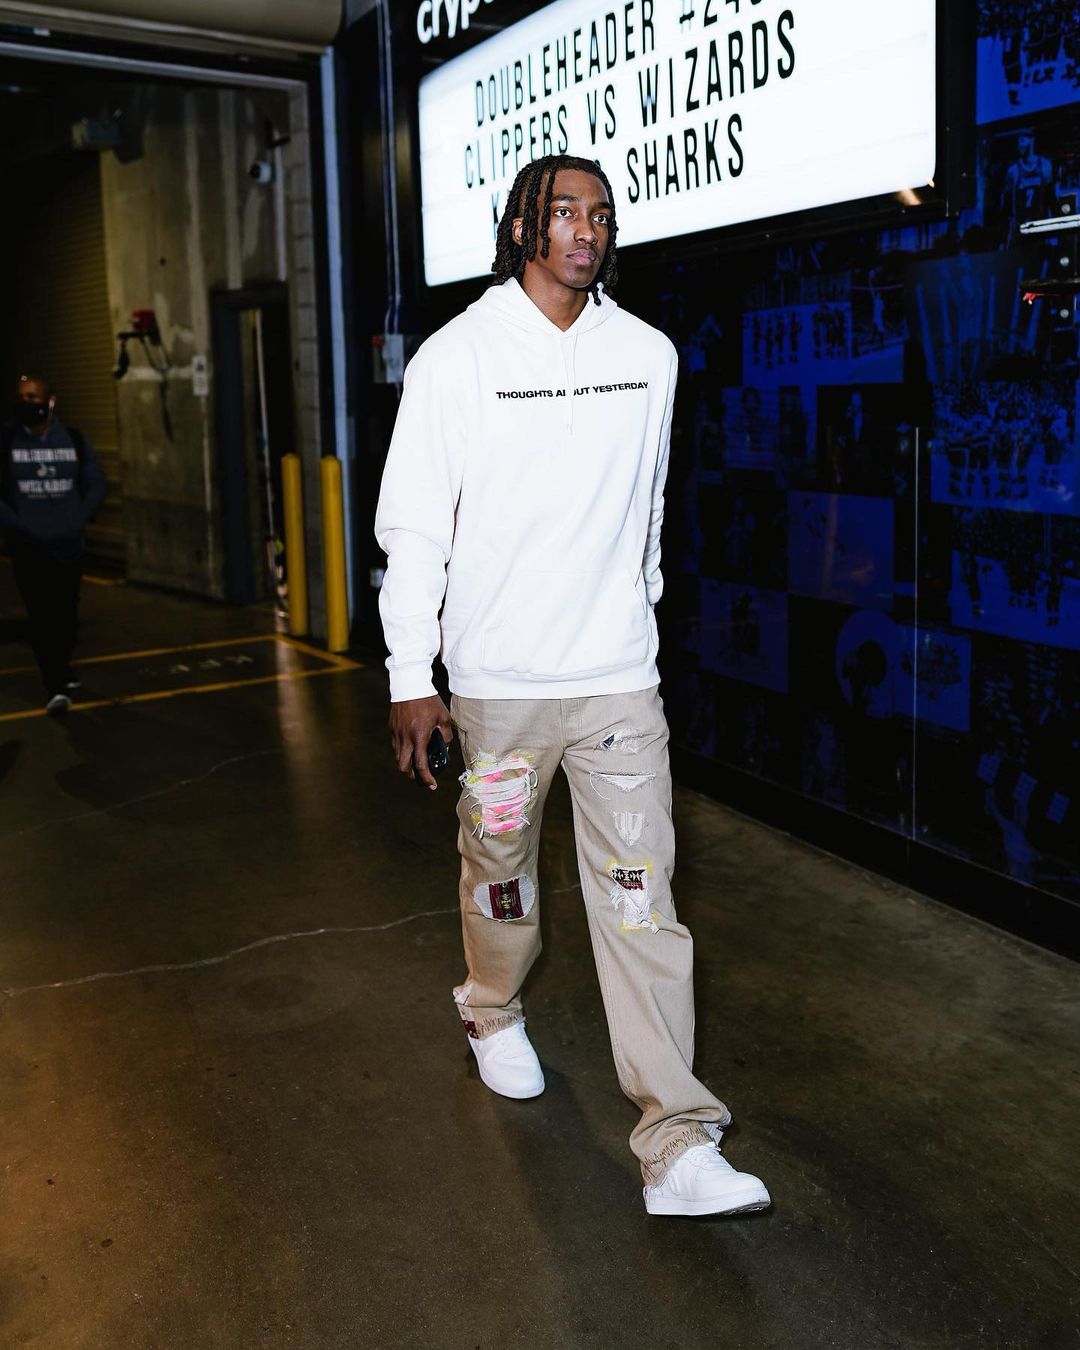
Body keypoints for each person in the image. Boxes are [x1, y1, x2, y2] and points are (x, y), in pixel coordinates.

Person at [375, 153, 770, 1218]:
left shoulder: (647, 355)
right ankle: (491, 1006)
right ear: (521, 229)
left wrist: (635, 613)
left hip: (616, 689)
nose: (586, 230)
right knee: (501, 871)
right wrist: (412, 676)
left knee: (643, 903)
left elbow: (647, 508)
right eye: (563, 213)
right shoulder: (457, 359)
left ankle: (676, 1143)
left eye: (601, 215)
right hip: (498, 691)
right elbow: (414, 529)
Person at [0, 373, 106, 713]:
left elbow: (96, 482)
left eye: (33, 396)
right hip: (29, 547)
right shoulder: (7, 441)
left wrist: (78, 518)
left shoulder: (73, 439)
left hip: (68, 544)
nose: (26, 402)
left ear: (50, 402)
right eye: (21, 397)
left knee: (66, 613)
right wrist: (20, 525)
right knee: (42, 615)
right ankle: (55, 683)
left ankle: (62, 666)